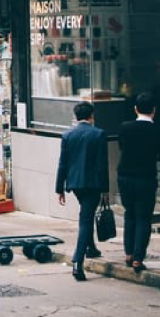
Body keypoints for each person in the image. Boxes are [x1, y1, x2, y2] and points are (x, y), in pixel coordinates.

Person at [55, 101, 109, 282]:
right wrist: (105, 188)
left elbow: (62, 163)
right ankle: (78, 260)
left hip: (75, 184)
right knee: (86, 219)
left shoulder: (68, 135)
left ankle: (91, 247)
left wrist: (59, 188)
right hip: (93, 184)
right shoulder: (99, 134)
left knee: (86, 214)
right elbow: (102, 164)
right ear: (91, 116)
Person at [116, 93, 160, 272]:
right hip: (146, 177)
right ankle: (138, 257)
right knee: (144, 217)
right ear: (154, 110)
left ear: (135, 109)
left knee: (130, 214)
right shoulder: (158, 131)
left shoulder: (124, 127)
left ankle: (128, 253)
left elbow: (122, 147)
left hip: (125, 176)